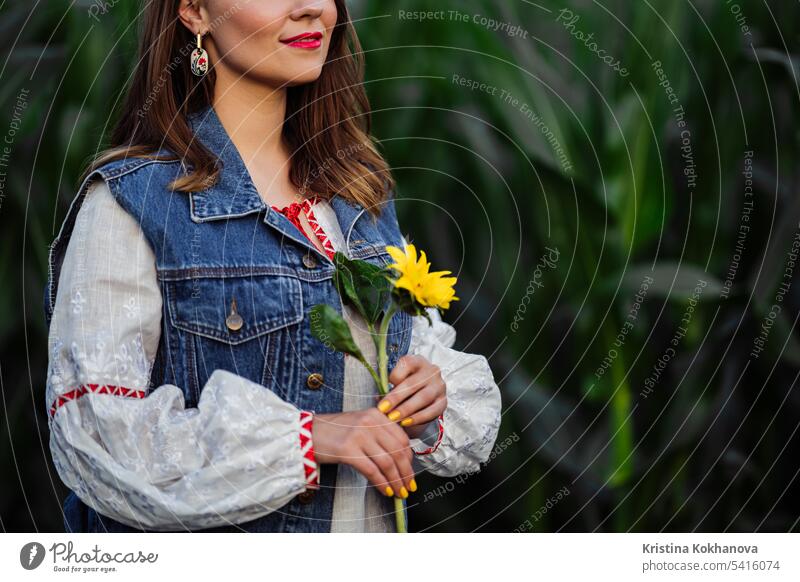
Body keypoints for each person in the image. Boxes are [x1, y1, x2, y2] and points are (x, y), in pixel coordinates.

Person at [44, 0, 501, 533]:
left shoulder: (361, 199)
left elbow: (439, 373)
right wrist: (308, 438)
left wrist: (428, 394)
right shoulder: (131, 202)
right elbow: (95, 437)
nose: (311, 8)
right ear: (193, 12)